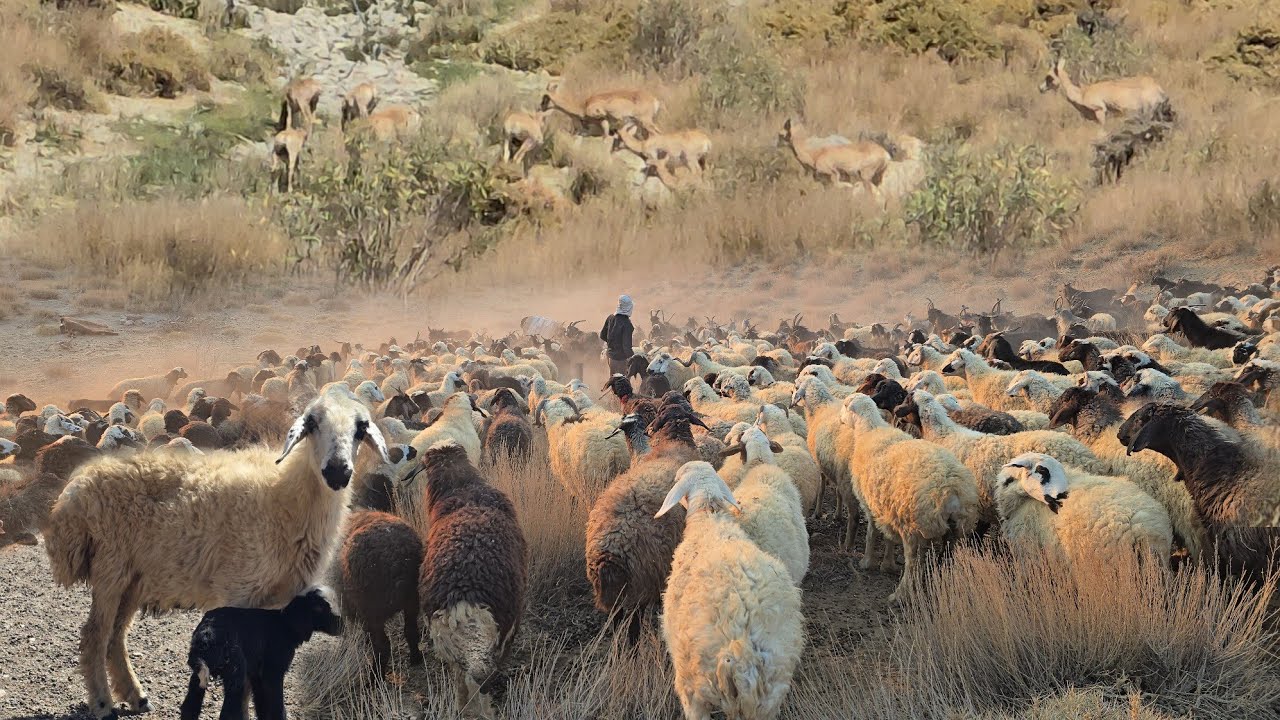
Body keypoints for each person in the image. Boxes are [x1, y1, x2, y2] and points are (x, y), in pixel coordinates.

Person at [600, 294, 635, 376]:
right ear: (629, 307)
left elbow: (602, 335)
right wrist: (632, 358)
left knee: (613, 379)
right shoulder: (627, 323)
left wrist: (612, 344)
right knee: (621, 381)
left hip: (610, 356)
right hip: (621, 359)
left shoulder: (610, 318)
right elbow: (626, 345)